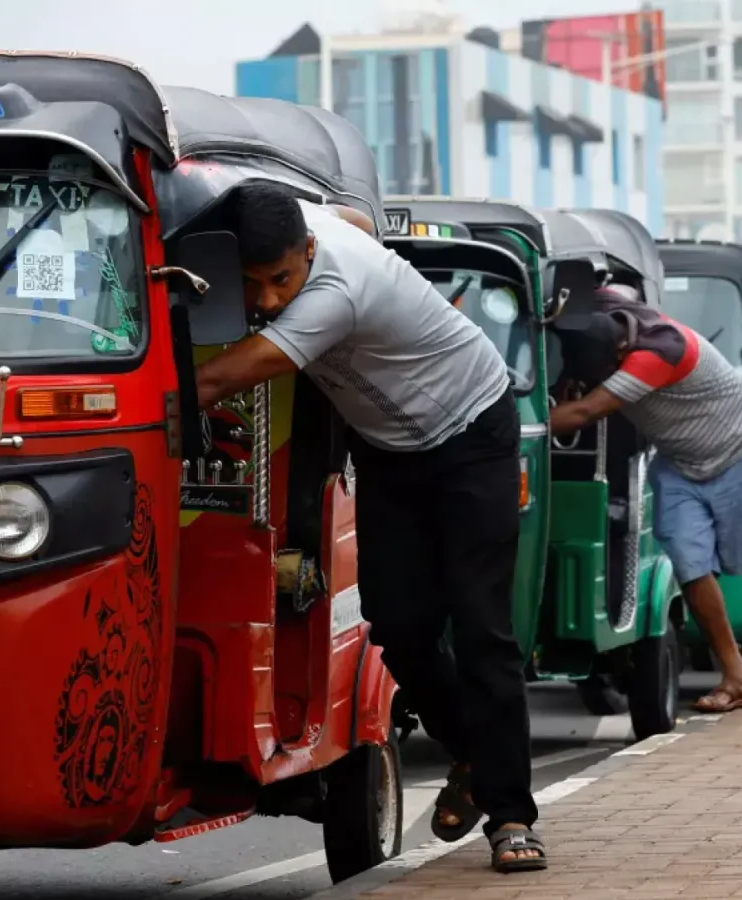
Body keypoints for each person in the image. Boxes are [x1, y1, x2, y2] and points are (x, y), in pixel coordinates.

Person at [192, 183, 545, 872]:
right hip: (390, 449)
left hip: (472, 429)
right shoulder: (314, 222)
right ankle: (471, 752)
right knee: (398, 624)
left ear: (311, 252)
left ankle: (511, 817)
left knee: (481, 626)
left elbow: (228, 374)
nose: (266, 300)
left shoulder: (336, 291)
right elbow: (354, 215)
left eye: (281, 280)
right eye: (251, 284)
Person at [547, 288, 742, 712]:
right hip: (681, 461)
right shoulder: (609, 313)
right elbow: (584, 290)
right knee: (689, 563)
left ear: (620, 353)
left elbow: (584, 413)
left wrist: (508, 425)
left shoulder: (660, 351)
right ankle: (736, 676)